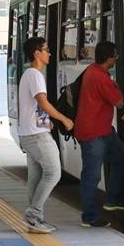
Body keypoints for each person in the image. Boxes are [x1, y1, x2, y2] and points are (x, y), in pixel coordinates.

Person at [18, 36, 74, 233]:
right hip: (36, 136)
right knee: (53, 172)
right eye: (46, 50)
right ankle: (33, 214)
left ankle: (34, 221)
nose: (49, 53)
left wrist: (45, 121)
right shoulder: (35, 75)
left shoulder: (28, 74)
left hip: (28, 133)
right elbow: (42, 102)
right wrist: (63, 119)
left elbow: (33, 105)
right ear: (37, 54)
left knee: (36, 176)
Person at [75, 41, 124, 228]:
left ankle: (114, 199)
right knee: (92, 175)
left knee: (122, 156)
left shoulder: (93, 71)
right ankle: (89, 216)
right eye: (115, 57)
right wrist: (116, 88)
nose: (116, 60)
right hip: (94, 133)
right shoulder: (101, 78)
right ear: (109, 59)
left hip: (104, 130)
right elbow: (119, 102)